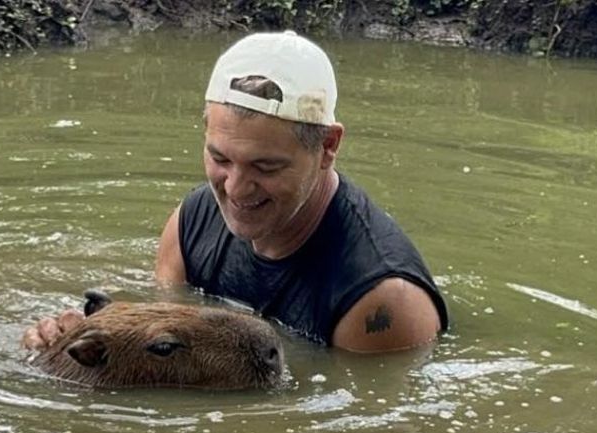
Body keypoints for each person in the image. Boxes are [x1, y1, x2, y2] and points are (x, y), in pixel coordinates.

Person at [23, 31, 448, 353]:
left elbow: (335, 420)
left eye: (266, 167)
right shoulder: (190, 223)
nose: (236, 189)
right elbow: (164, 334)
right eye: (221, 159)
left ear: (328, 148)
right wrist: (72, 340)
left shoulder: (381, 302)